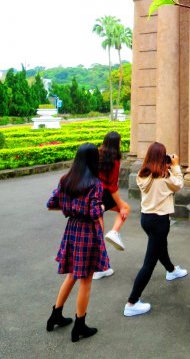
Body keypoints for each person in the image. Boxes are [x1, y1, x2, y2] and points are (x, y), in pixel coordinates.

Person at [46, 143, 109, 342]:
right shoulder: (94, 184)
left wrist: (70, 208)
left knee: (73, 274)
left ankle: (55, 314)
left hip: (72, 228)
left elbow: (51, 204)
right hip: (87, 232)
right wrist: (103, 207)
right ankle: (79, 325)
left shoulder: (66, 180)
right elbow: (93, 212)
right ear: (92, 160)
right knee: (86, 280)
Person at [124, 142, 188, 317]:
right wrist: (175, 166)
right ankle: (132, 302)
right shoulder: (165, 176)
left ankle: (172, 271)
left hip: (146, 218)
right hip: (160, 220)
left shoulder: (142, 174)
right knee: (149, 263)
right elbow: (179, 184)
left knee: (160, 248)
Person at [93, 131, 130, 280]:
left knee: (98, 233)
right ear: (116, 144)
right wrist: (121, 205)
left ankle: (100, 268)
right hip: (105, 194)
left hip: (92, 194)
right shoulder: (114, 161)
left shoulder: (97, 154)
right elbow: (112, 187)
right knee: (126, 208)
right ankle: (114, 232)